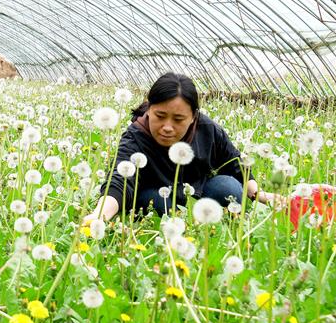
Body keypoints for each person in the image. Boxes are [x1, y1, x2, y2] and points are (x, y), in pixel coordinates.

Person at [85, 72, 278, 222]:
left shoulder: (207, 129)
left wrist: (261, 195)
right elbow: (119, 181)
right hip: (155, 194)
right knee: (159, 206)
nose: (167, 127)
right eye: (160, 116)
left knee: (229, 189)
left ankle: (204, 220)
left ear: (193, 116)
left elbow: (234, 162)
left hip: (198, 192)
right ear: (149, 109)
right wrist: (99, 216)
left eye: (178, 119)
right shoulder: (135, 137)